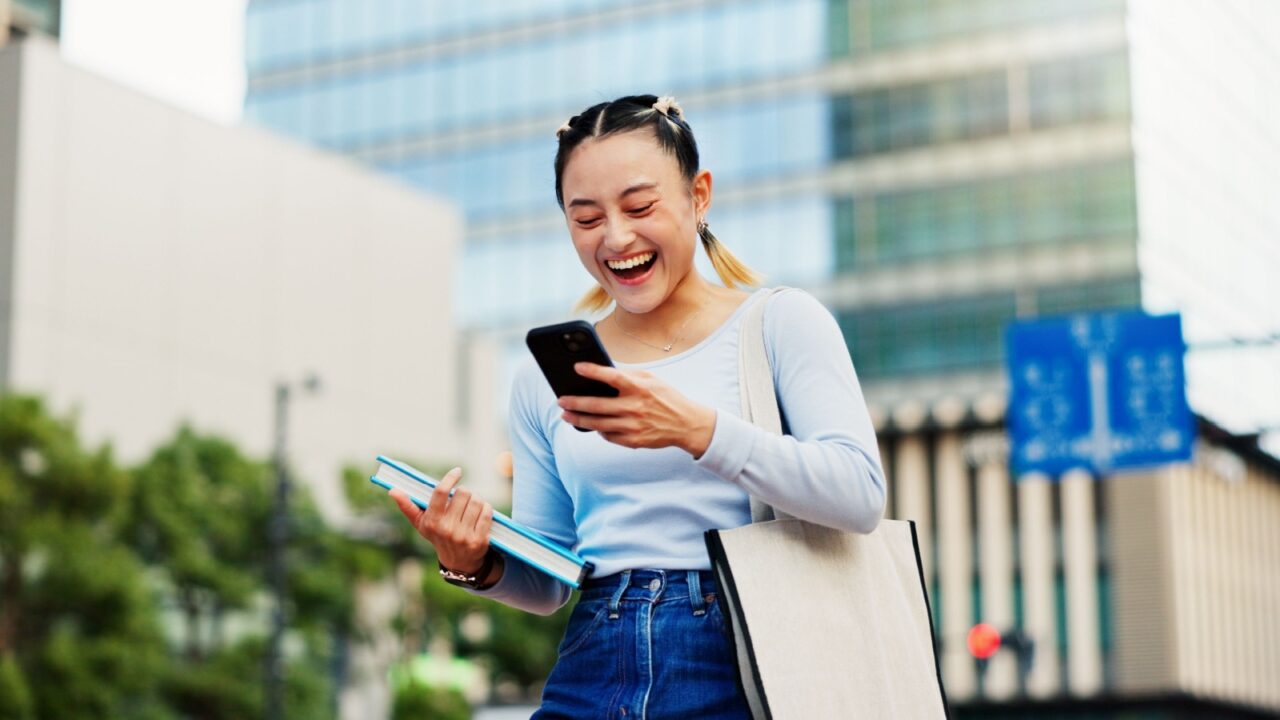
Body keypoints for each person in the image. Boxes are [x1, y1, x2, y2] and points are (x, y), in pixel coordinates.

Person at [390, 94, 886, 719]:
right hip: (595, 657)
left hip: (747, 654)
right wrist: (473, 564)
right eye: (587, 218)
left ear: (698, 195)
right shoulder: (539, 379)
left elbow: (860, 494)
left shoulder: (780, 323)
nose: (616, 238)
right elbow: (549, 579)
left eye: (640, 206)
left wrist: (695, 430)